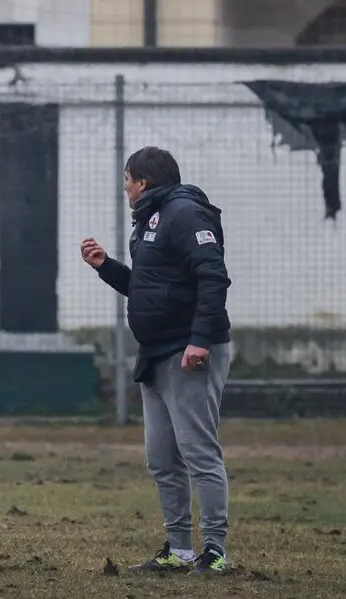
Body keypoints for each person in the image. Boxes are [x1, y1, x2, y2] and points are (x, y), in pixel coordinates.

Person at [80, 146, 232, 575]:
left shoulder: (184, 214)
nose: (124, 187)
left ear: (142, 182)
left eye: (127, 179)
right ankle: (180, 549)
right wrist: (105, 266)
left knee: (198, 451)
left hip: (189, 353)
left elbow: (213, 276)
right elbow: (150, 290)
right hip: (157, 354)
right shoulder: (147, 222)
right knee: (162, 457)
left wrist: (199, 340)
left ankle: (215, 551)